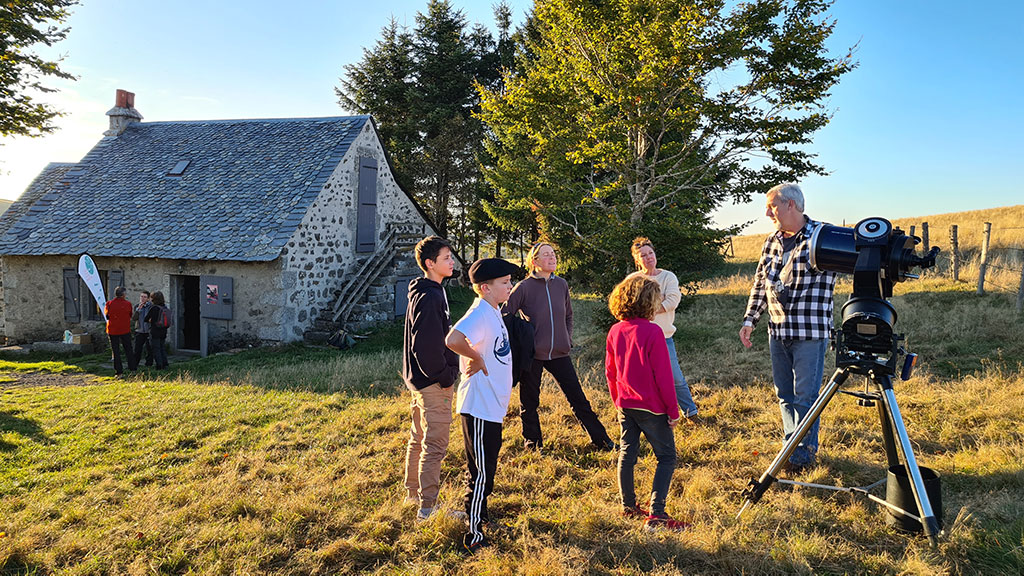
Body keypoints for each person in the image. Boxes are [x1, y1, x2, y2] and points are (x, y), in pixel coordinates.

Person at [739, 183, 837, 474]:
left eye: (772, 206)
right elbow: (761, 283)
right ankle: (791, 444)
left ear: (790, 205)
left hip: (810, 332)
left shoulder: (824, 236)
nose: (767, 212)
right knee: (784, 394)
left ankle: (803, 454)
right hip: (778, 331)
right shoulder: (771, 241)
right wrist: (749, 320)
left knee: (805, 396)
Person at [503, 242, 615, 452]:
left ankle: (601, 440)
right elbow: (505, 315)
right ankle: (532, 444)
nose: (552, 258)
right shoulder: (523, 287)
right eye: (546, 255)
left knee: (578, 398)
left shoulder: (561, 284)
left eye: (553, 254)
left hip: (560, 353)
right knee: (530, 401)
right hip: (533, 354)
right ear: (534, 261)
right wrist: (523, 339)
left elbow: (569, 315)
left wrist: (566, 338)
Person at [445, 257, 520, 554]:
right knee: (480, 472)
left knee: (487, 467)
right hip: (478, 406)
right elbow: (453, 339)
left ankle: (481, 515)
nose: (510, 286)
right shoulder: (479, 313)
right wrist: (475, 358)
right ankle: (473, 532)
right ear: (486, 288)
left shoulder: (493, 311)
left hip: (492, 406)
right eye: (505, 283)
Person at [605, 275, 688, 531]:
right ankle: (657, 515)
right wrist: (673, 412)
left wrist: (617, 401)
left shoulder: (616, 329)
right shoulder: (654, 331)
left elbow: (610, 372)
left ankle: (628, 506)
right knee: (666, 457)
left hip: (625, 404)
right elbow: (664, 377)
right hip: (652, 407)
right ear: (647, 301)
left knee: (627, 454)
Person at [401, 236, 461, 522]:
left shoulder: (427, 290)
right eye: (447, 258)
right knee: (434, 445)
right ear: (430, 263)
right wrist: (445, 375)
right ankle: (428, 508)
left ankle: (412, 495)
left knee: (418, 438)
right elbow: (423, 346)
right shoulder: (430, 296)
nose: (452, 262)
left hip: (420, 382)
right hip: (432, 383)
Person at [627, 237, 699, 420]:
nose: (648, 257)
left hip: (663, 337)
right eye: (643, 255)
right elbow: (627, 305)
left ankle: (690, 412)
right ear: (637, 260)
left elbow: (672, 301)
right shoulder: (632, 280)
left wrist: (647, 311)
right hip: (639, 339)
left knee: (675, 378)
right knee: (644, 379)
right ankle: (653, 414)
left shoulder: (668, 277)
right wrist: (656, 304)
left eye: (650, 253)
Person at [104, 286, 136, 377]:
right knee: (128, 349)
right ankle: (132, 368)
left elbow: (107, 316)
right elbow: (130, 315)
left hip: (113, 330)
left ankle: (119, 372)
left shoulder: (109, 304)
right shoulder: (128, 304)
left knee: (116, 351)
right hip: (125, 329)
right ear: (123, 295)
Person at [144, 291, 171, 370]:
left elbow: (146, 319)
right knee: (162, 347)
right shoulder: (164, 307)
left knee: (156, 349)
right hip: (163, 330)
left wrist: (150, 320)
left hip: (155, 331)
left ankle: (159, 365)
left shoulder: (154, 308)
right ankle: (165, 363)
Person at [132, 290, 154, 368]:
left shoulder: (151, 306)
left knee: (149, 348)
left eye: (145, 297)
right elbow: (134, 318)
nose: (142, 298)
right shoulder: (137, 306)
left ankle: (149, 363)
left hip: (148, 330)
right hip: (139, 330)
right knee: (137, 348)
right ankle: (135, 364)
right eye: (141, 296)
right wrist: (138, 310)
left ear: (148, 299)